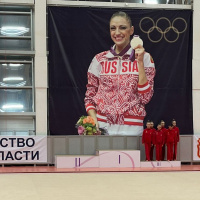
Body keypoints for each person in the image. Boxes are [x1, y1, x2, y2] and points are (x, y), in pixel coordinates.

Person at [84, 11, 156, 135]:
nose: (117, 33)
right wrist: (94, 120)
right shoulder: (99, 59)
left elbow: (145, 98)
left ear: (131, 30)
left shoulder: (145, 58)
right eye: (113, 28)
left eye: (122, 28)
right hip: (103, 127)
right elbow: (89, 96)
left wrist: (139, 62)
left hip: (132, 129)